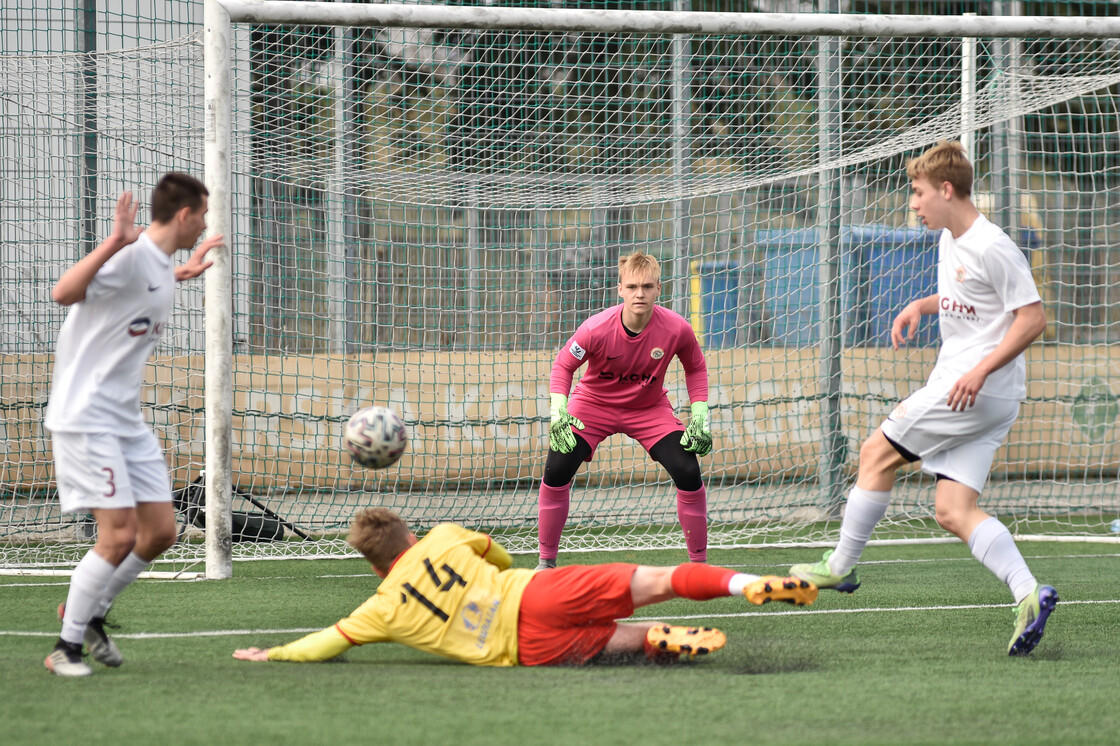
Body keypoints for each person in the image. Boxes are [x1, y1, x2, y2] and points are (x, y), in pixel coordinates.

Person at [789, 141, 1056, 656]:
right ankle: (1028, 594)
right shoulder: (950, 238)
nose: (912, 204)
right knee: (954, 509)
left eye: (918, 193)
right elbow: (972, 298)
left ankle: (840, 565)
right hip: (985, 396)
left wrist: (978, 372)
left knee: (874, 453)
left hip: (969, 391)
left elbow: (1032, 318)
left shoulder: (992, 244)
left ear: (947, 190)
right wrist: (922, 305)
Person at [233, 508, 818, 668]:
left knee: (625, 639)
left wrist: (276, 652)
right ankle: (746, 584)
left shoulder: (381, 609)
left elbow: (327, 642)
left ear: (376, 567)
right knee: (660, 579)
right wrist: (523, 572)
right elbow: (499, 554)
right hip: (532, 594)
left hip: (522, 650)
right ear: (408, 534)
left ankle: (655, 640)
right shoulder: (443, 538)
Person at [44, 173, 222, 676]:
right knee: (118, 535)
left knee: (160, 532)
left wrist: (181, 274)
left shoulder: (161, 264)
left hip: (126, 421)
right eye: (203, 215)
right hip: (86, 417)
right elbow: (64, 292)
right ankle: (66, 647)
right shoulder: (128, 256)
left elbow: (146, 288)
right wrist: (114, 241)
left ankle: (91, 614)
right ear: (185, 215)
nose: (205, 224)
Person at [538, 251, 712, 570]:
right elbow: (563, 365)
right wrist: (558, 409)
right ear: (620, 289)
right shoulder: (595, 328)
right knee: (557, 466)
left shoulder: (677, 329)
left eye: (647, 286)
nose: (639, 294)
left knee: (688, 470)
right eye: (632, 287)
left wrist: (700, 412)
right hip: (593, 405)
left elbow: (696, 368)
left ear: (660, 288)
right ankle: (546, 561)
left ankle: (698, 567)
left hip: (648, 409)